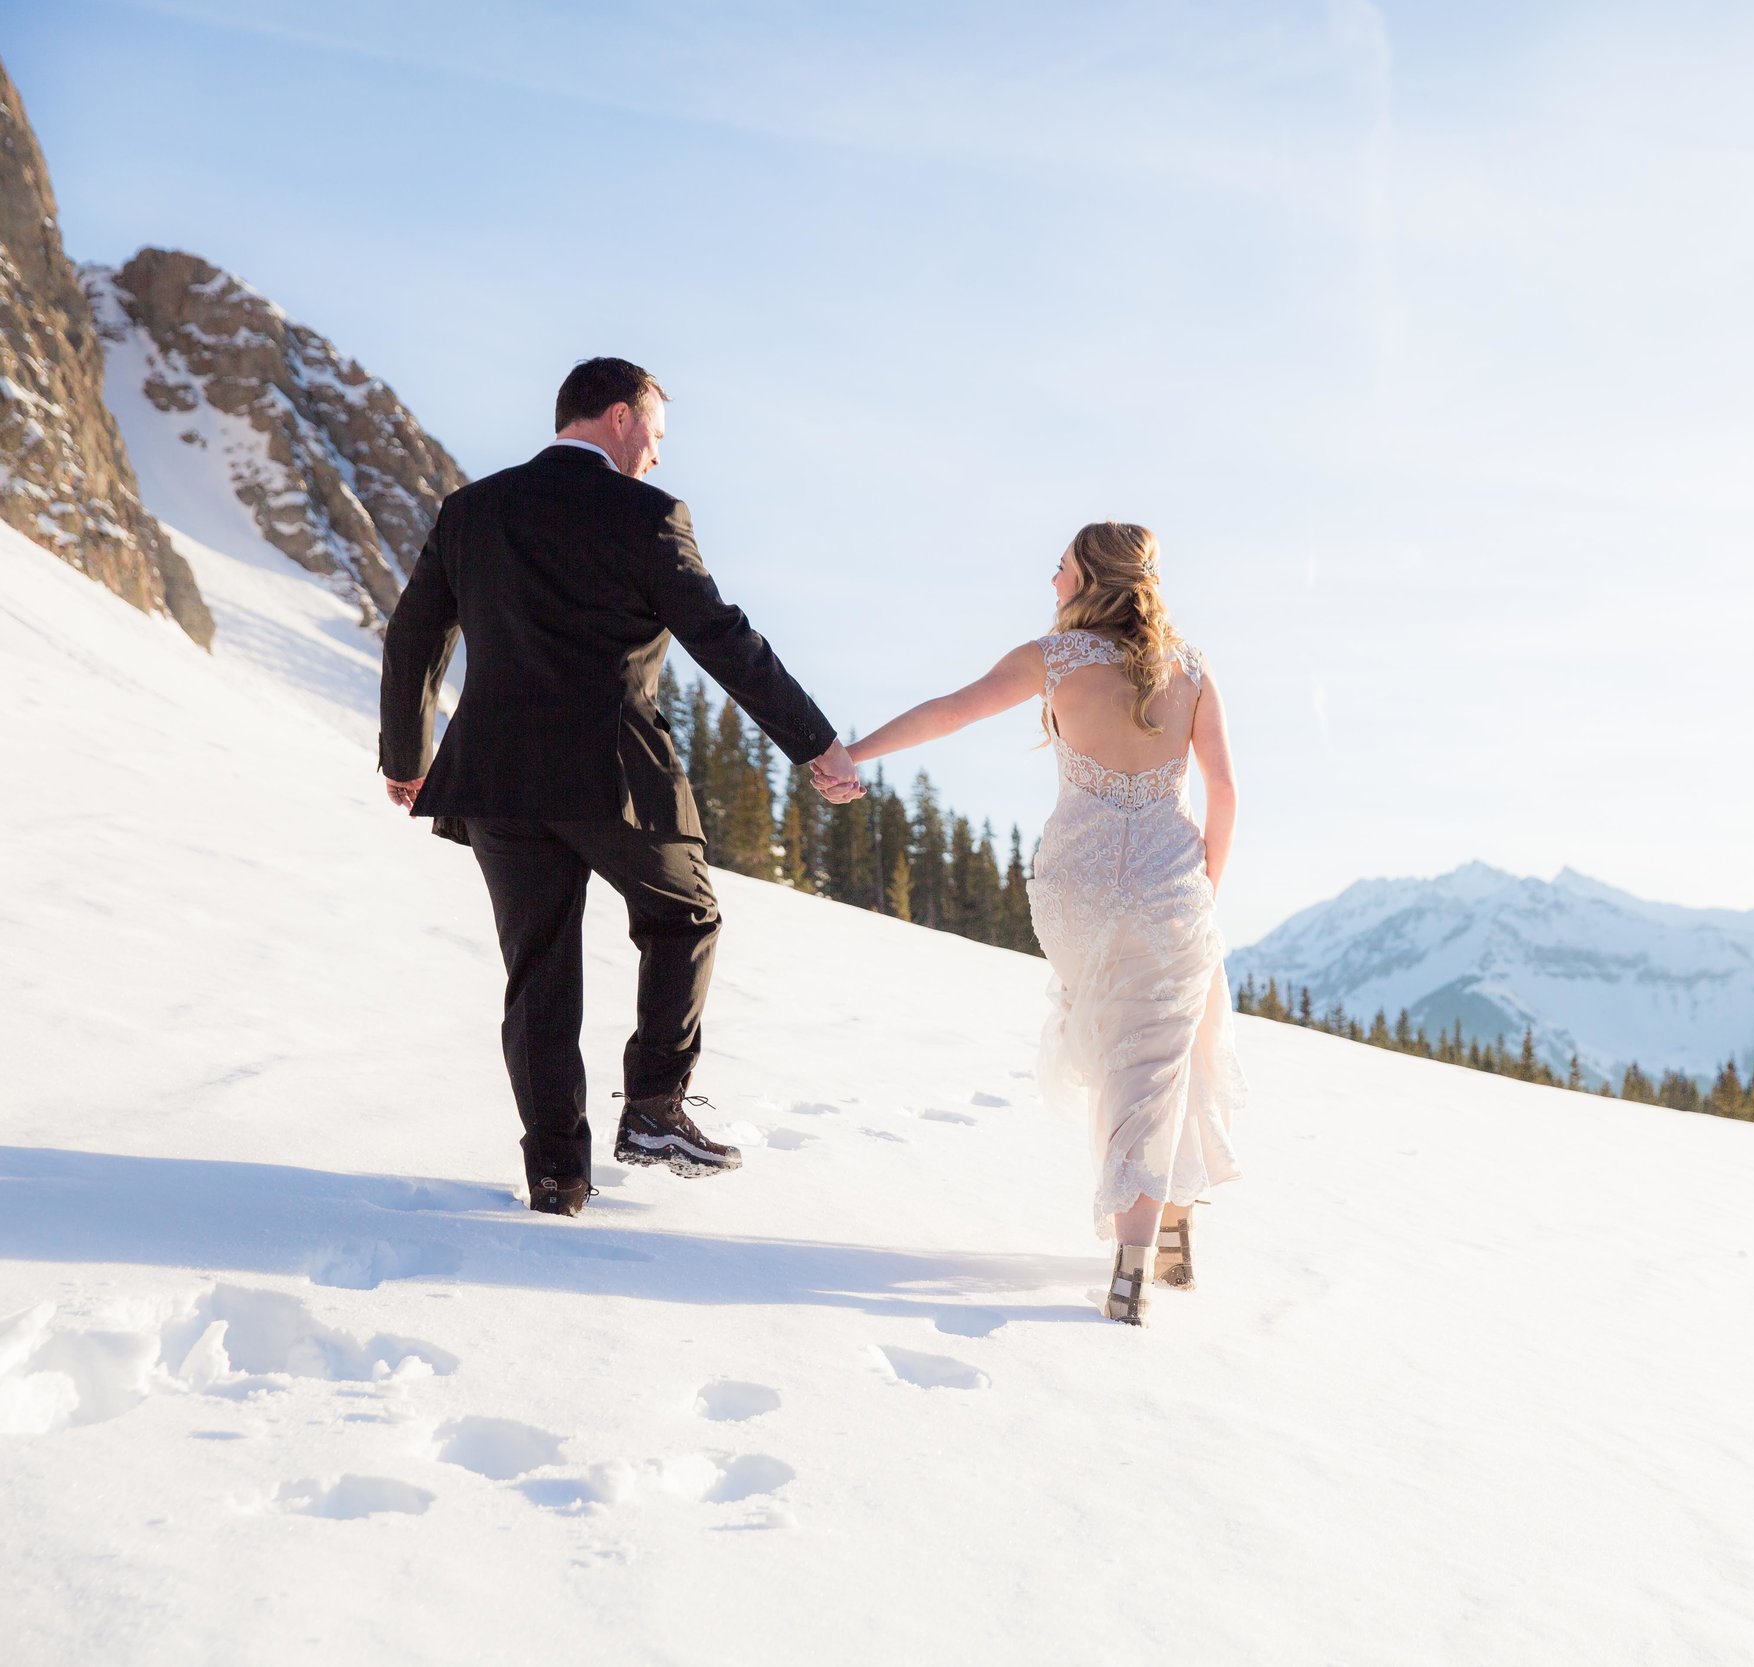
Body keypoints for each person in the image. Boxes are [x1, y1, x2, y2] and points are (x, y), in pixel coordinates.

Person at [377, 357, 862, 1217]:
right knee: (685, 914)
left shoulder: (472, 510)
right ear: (619, 417)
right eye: (658, 435)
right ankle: (654, 1107)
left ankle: (558, 1177)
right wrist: (813, 740)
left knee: (538, 974)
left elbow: (414, 630)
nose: (660, 457)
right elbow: (722, 636)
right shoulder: (647, 515)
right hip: (613, 774)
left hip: (495, 775)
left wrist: (405, 755)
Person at [847, 521, 1244, 1325]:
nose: (1050, 579)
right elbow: (1225, 792)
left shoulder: (1054, 659)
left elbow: (951, 713)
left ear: (1091, 578)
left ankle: (1161, 1228)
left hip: (1081, 890)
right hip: (1171, 887)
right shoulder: (1193, 670)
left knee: (1126, 1044)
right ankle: (1145, 1249)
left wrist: (855, 754)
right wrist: (1205, 889)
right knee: (1162, 1049)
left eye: (1059, 568)